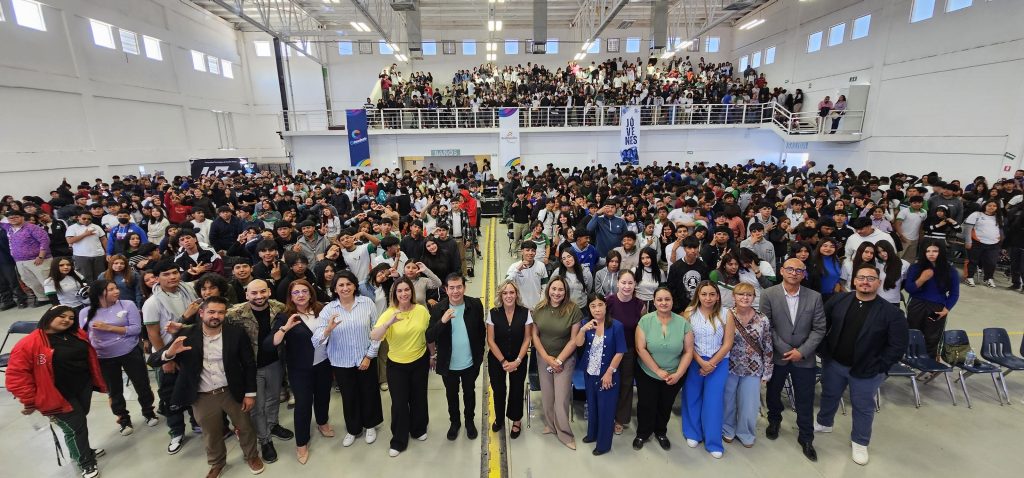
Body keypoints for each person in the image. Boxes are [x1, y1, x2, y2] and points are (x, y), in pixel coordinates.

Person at [148, 297, 265, 477]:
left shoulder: (236, 333)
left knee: (245, 426)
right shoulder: (187, 334)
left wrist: (250, 393)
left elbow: (249, 364)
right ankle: (217, 463)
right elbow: (153, 360)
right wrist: (169, 353)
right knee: (211, 433)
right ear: (201, 313)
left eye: (220, 312)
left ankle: (252, 456)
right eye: (211, 312)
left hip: (232, 390)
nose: (215, 316)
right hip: (203, 395)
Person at [816, 264, 909, 465]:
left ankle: (860, 441)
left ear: (879, 282)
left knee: (863, 407)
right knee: (829, 395)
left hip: (867, 370)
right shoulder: (838, 300)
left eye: (871, 278)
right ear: (854, 281)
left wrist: (881, 367)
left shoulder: (891, 313)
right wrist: (824, 351)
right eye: (861, 278)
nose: (865, 282)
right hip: (835, 363)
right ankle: (824, 422)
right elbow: (821, 324)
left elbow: (898, 346)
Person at [6, 305, 108, 478]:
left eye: (71, 318)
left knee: (78, 424)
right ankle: (86, 462)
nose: (67, 320)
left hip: (82, 387)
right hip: (55, 395)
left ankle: (80, 451)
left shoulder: (75, 334)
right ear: (49, 316)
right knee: (76, 428)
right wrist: (30, 400)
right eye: (62, 316)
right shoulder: (29, 343)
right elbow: (16, 376)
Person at [760, 258, 826, 462]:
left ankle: (806, 437)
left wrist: (802, 351)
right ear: (781, 271)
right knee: (773, 394)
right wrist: (786, 349)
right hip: (778, 356)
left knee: (805, 399)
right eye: (790, 269)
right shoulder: (768, 294)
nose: (794, 273)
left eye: (799, 270)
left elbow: (819, 329)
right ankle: (774, 421)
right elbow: (766, 325)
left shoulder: (814, 297)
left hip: (804, 359)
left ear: (804, 274)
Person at [226, 279, 294, 463]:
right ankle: (265, 440)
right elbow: (211, 324)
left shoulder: (279, 308)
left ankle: (273, 425)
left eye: (263, 291)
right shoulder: (234, 314)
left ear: (269, 292)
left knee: (274, 398)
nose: (259, 296)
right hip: (251, 368)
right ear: (246, 294)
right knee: (258, 407)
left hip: (274, 363)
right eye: (254, 293)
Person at [313, 270, 384, 448]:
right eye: (341, 285)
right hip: (341, 362)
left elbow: (377, 332)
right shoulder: (329, 309)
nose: (345, 288)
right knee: (349, 396)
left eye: (348, 284)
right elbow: (315, 340)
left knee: (369, 392)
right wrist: (328, 330)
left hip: (366, 357)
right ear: (334, 289)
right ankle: (353, 429)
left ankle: (370, 425)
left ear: (354, 286)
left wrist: (370, 355)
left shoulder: (366, 303)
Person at [267, 279, 333, 464]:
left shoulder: (321, 310)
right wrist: (284, 329)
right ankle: (301, 443)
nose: (301, 295)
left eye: (304, 291)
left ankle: (322, 423)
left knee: (323, 397)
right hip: (300, 369)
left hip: (323, 363)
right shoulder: (285, 316)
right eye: (296, 292)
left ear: (311, 293)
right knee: (303, 405)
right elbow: (270, 343)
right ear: (290, 296)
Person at [80, 279, 158, 436]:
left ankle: (149, 412)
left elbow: (136, 329)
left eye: (116, 288)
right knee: (114, 390)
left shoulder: (127, 305)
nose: (116, 291)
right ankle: (123, 419)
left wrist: (109, 328)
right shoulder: (85, 312)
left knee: (142, 384)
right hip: (104, 356)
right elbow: (84, 336)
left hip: (130, 351)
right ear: (99, 293)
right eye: (111, 289)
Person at [141, 261, 201, 455]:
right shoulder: (152, 302)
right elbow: (153, 333)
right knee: (171, 396)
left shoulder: (188, 291)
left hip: (189, 349)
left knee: (193, 389)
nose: (172, 277)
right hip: (168, 352)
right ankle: (176, 432)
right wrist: (166, 358)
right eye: (166, 274)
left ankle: (196, 422)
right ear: (157, 278)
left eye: (175, 272)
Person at [370, 277, 432, 457]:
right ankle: (399, 439)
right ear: (394, 294)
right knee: (399, 403)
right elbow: (374, 336)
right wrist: (388, 323)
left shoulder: (421, 310)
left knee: (419, 397)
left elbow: (428, 335)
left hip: (420, 361)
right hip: (397, 365)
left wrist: (432, 355)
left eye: (407, 290)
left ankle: (419, 429)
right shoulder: (389, 313)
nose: (404, 294)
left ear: (412, 291)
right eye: (400, 291)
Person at [632, 287, 694, 451]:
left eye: (667, 299)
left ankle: (661, 432)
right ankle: (642, 433)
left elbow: (688, 351)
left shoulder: (683, 323)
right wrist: (657, 370)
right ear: (654, 302)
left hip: (674, 374)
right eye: (659, 299)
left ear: (672, 301)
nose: (663, 303)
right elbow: (640, 349)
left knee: (665, 405)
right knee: (646, 404)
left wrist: (679, 374)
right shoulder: (645, 321)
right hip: (647, 372)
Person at [426, 273, 486, 441]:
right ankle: (455, 422)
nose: (455, 291)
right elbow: (429, 336)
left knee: (469, 393)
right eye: (451, 288)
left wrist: (480, 353)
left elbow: (481, 331)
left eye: (459, 287)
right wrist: (442, 321)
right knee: (451, 395)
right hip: (449, 364)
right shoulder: (438, 309)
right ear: (446, 289)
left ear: (464, 287)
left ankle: (469, 421)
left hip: (470, 363)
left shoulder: (475, 304)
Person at [680, 280, 734, 459]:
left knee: (713, 401)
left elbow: (728, 343)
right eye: (704, 294)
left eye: (712, 294)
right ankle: (693, 432)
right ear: (698, 295)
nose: (708, 298)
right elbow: (687, 342)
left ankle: (713, 442)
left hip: (719, 362)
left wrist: (711, 363)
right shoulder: (689, 312)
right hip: (694, 360)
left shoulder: (726, 313)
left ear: (718, 296)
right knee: (692, 396)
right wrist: (700, 362)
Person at [531, 276, 582, 450]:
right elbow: (534, 335)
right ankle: (551, 425)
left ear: (565, 292)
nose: (557, 293)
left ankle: (565, 434)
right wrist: (547, 358)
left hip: (564, 360)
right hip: (544, 358)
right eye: (554, 289)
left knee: (561, 399)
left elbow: (574, 340)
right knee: (547, 395)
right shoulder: (539, 308)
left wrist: (558, 360)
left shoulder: (573, 309)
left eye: (561, 289)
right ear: (548, 290)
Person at [573, 294, 626, 456]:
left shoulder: (616, 326)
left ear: (605, 306)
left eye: (600, 305)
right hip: (590, 373)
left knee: (606, 410)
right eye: (593, 306)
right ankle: (592, 434)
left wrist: (609, 372)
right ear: (589, 308)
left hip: (607, 375)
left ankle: (603, 445)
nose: (597, 309)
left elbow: (620, 352)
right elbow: (578, 343)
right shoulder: (586, 323)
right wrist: (583, 329)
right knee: (592, 405)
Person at [721, 282, 772, 448]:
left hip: (753, 369)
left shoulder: (762, 319)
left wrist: (767, 372)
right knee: (727, 401)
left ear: (754, 297)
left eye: (749, 295)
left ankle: (746, 433)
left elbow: (768, 346)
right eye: (741, 294)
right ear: (733, 296)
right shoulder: (726, 315)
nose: (745, 298)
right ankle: (727, 429)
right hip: (729, 366)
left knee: (749, 405)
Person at [486, 280, 533, 439]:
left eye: (512, 292)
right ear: (500, 295)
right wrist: (503, 362)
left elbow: (527, 338)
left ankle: (516, 420)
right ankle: (499, 419)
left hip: (518, 358)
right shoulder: (493, 313)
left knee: (517, 390)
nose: (508, 296)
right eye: (505, 293)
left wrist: (518, 361)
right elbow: (490, 340)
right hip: (497, 359)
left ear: (516, 294)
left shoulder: (525, 313)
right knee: (498, 390)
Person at [904, 240, 960, 359]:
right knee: (913, 332)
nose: (931, 254)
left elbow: (954, 293)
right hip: (916, 306)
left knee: (932, 336)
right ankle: (910, 359)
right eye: (928, 251)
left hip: (936, 308)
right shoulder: (915, 268)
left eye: (935, 251)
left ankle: (929, 362)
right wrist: (922, 279)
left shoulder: (950, 271)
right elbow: (909, 288)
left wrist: (946, 309)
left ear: (941, 252)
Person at [605, 270, 645, 436]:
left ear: (635, 284)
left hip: (629, 350)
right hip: (610, 349)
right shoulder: (609, 301)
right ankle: (607, 414)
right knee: (608, 382)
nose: (627, 286)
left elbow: (642, 330)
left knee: (626, 384)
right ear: (617, 283)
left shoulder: (640, 305)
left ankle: (620, 419)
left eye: (630, 283)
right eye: (623, 282)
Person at [2, 209, 54, 307]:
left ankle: (56, 298)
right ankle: (43, 298)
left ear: (22, 217)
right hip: (19, 261)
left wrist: (41, 256)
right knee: (30, 282)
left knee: (46, 280)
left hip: (38, 259)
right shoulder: (9, 228)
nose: (13, 219)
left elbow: (44, 241)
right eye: (10, 218)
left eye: (16, 217)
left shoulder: (32, 227)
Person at [963, 200, 1003, 287]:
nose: (991, 207)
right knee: (973, 261)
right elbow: (967, 228)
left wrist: (1000, 239)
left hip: (994, 244)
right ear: (985, 206)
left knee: (991, 262)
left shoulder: (999, 217)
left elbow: (1000, 229)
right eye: (989, 205)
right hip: (977, 242)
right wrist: (968, 241)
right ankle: (969, 277)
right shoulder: (976, 214)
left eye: (994, 206)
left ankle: (989, 278)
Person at [64, 211, 108, 282]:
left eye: (89, 219)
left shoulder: (96, 227)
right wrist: (85, 234)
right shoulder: (72, 228)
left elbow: (104, 240)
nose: (86, 220)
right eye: (84, 218)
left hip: (98, 255)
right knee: (85, 278)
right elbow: (70, 241)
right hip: (81, 256)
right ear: (78, 217)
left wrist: (108, 252)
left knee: (100, 277)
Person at [550, 248, 594, 315]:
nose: (567, 260)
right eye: (564, 258)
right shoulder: (558, 272)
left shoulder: (585, 272)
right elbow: (551, 288)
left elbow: (588, 289)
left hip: (581, 308)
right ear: (562, 261)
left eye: (569, 256)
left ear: (574, 257)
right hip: (564, 308)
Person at [506, 241, 548, 309]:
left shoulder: (541, 266)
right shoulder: (514, 266)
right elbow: (506, 283)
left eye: (533, 250)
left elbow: (545, 286)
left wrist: (541, 302)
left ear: (535, 252)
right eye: (527, 250)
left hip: (537, 306)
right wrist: (517, 270)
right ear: (522, 252)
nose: (530, 253)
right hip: (520, 306)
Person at [874, 241, 909, 305]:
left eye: (884, 250)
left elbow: (905, 282)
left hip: (894, 301)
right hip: (876, 301)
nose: (882, 254)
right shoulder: (875, 264)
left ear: (890, 248)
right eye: (879, 252)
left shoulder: (904, 264)